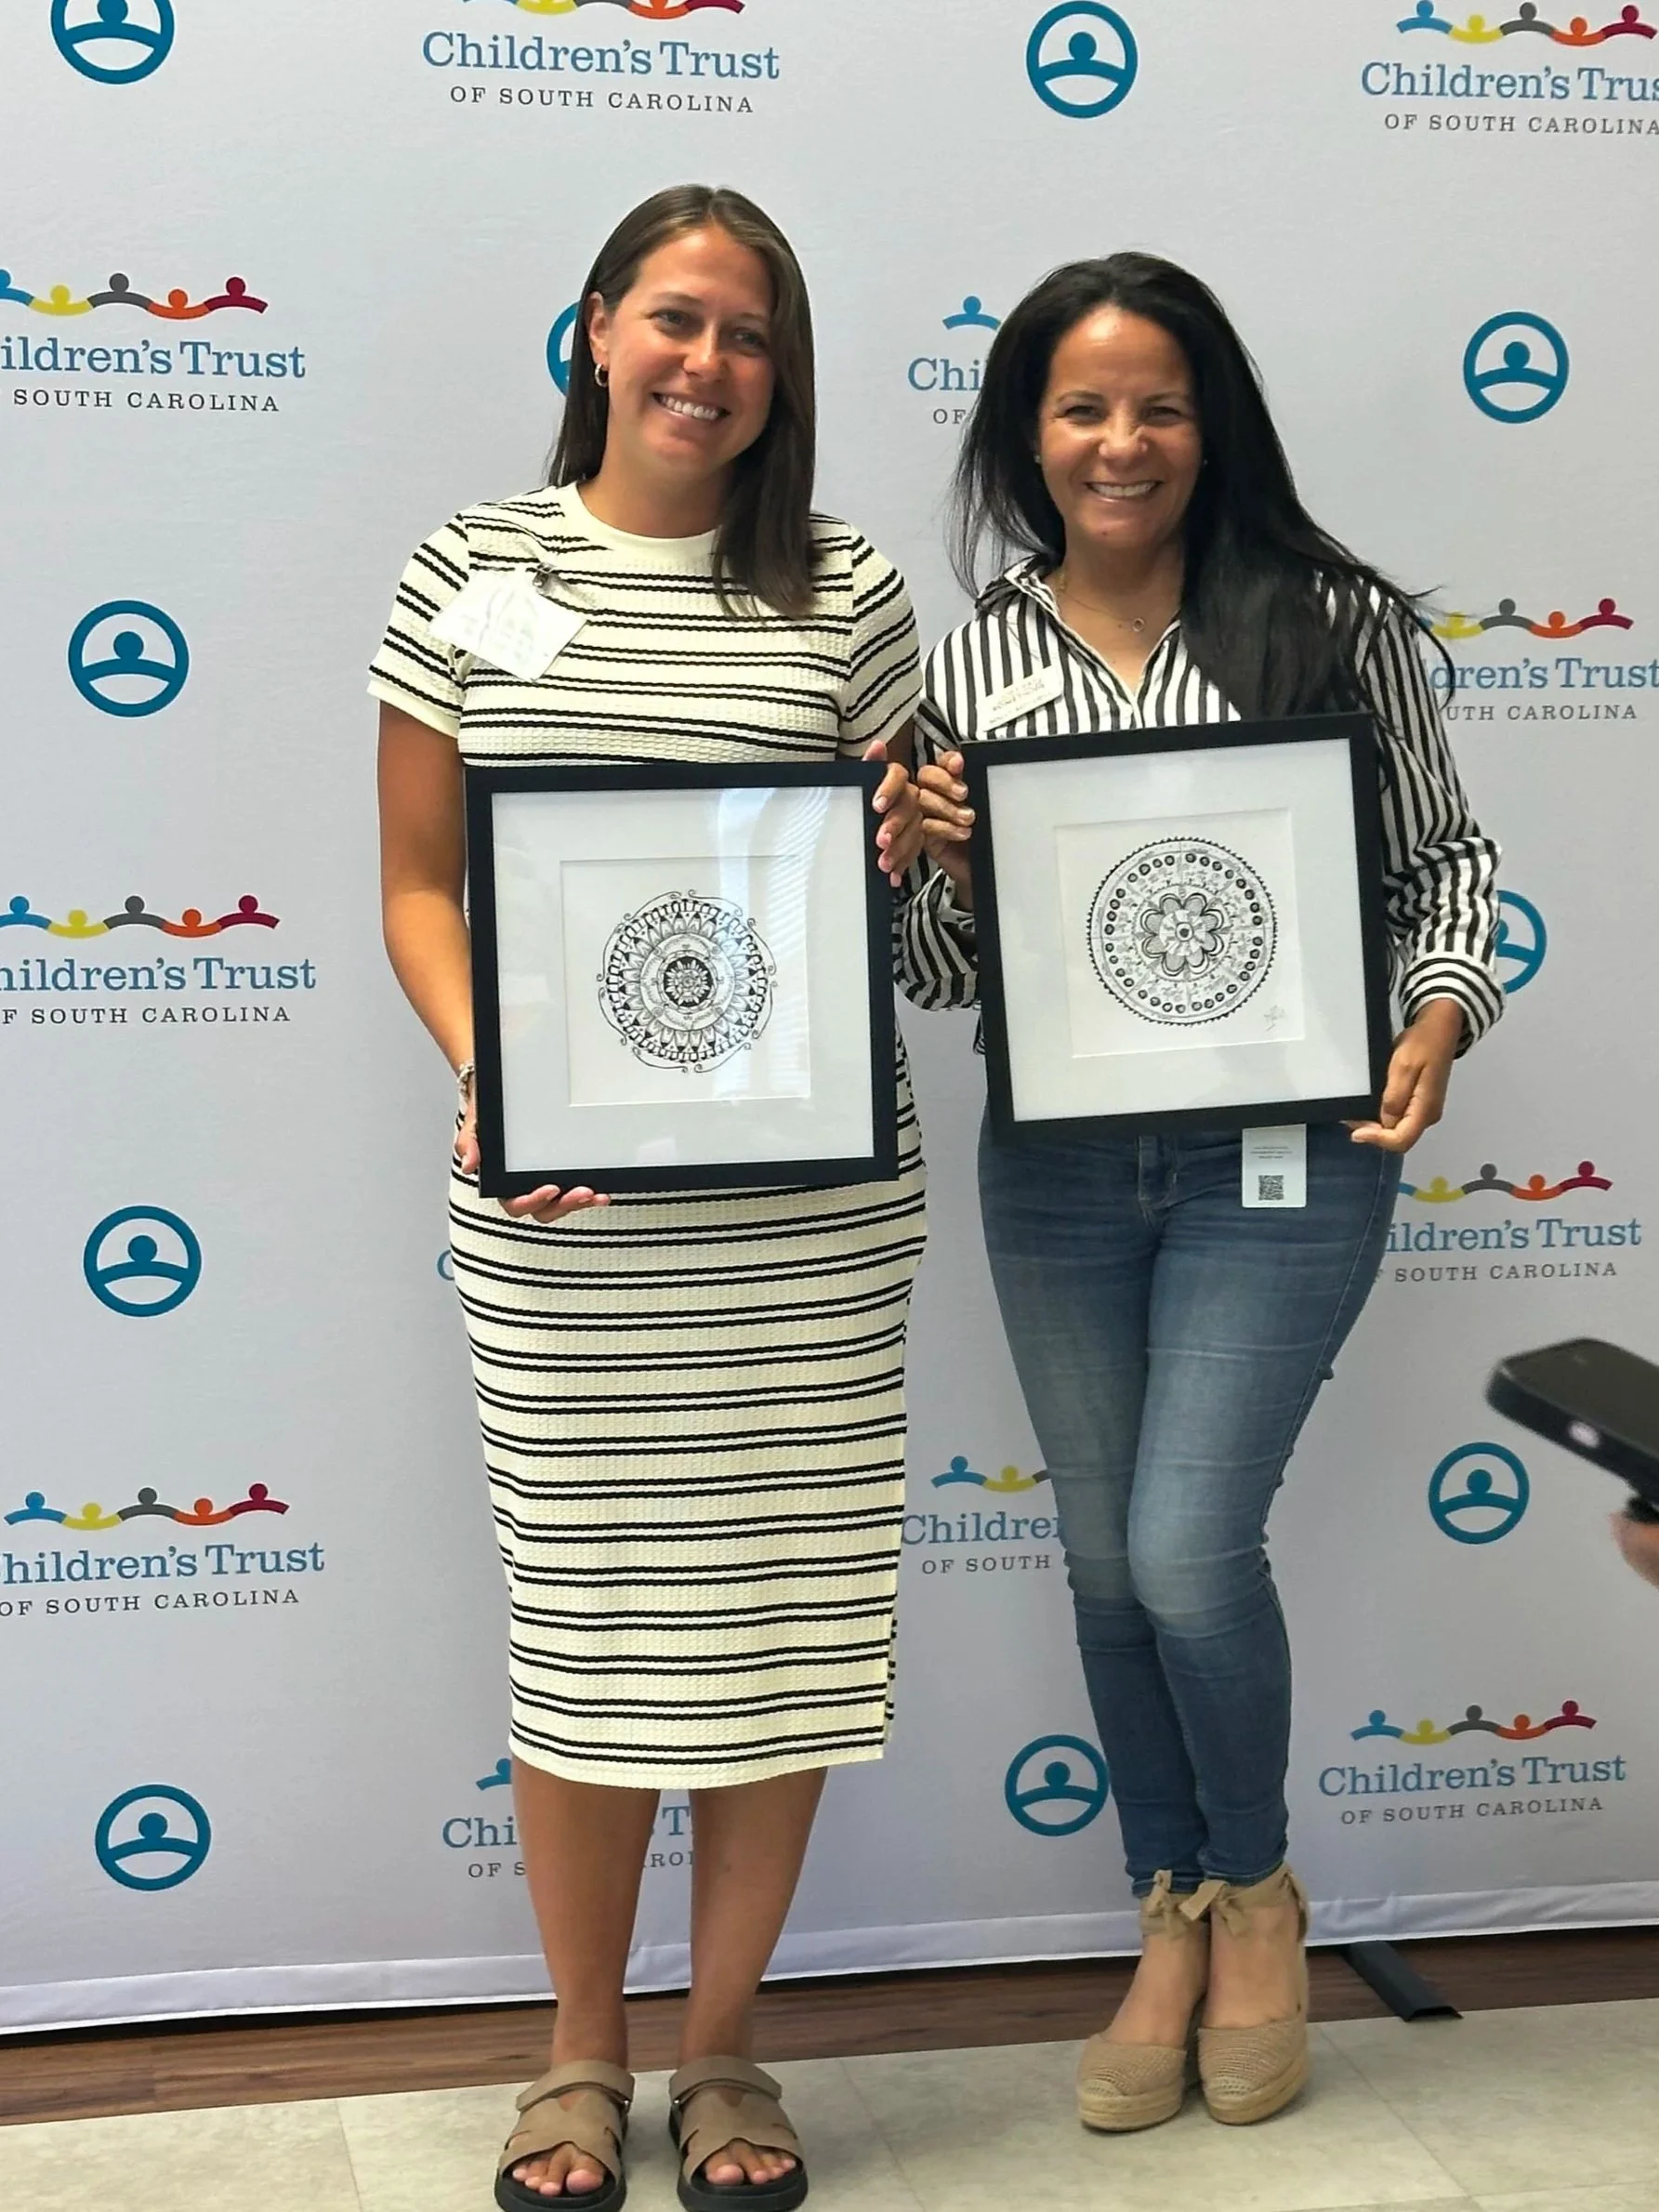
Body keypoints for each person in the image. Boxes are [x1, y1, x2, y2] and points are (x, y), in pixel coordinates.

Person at [902, 253, 1501, 2133]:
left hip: (1287, 1153)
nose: (1119, 440)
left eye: (1155, 402)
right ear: (1028, 437)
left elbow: (1446, 864)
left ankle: (1256, 1886)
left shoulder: (1328, 622)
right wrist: (924, 858)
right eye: (1079, 407)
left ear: (1208, 420)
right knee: (1100, 1565)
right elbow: (937, 973)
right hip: (1057, 1164)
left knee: (1179, 1547)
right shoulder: (978, 652)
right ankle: (1169, 1907)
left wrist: (1437, 1009)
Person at [373, 185, 927, 2212]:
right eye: (675, 320)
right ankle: (578, 2050)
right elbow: (420, 885)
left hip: (804, 1224)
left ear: (784, 375)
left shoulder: (849, 593)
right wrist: (493, 1071)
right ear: (596, 330)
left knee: (771, 1635)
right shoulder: (471, 570)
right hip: (567, 1216)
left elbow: (893, 924)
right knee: (588, 1634)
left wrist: (921, 841)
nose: (708, 364)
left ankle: (722, 2051)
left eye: (751, 335)